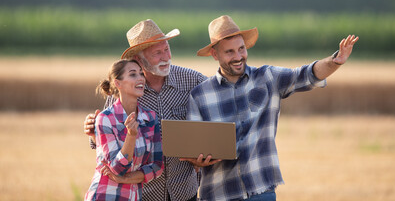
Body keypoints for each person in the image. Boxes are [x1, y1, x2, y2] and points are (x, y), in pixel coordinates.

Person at [184, 15, 359, 201]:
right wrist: (197, 160)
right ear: (215, 54)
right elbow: (194, 149)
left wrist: (335, 61)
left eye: (241, 49)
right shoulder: (199, 95)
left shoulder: (268, 78)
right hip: (219, 195)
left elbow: (307, 74)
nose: (238, 57)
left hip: (262, 192)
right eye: (229, 52)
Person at [84, 19, 207, 201]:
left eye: (166, 49)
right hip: (144, 195)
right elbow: (105, 144)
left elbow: (215, 118)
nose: (165, 57)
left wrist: (204, 154)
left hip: (185, 192)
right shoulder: (121, 91)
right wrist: (92, 132)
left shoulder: (193, 80)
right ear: (138, 59)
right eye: (157, 53)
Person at [84, 59, 163, 201]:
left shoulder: (150, 118)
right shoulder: (105, 119)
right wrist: (131, 136)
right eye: (133, 74)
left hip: (134, 196)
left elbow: (157, 166)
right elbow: (117, 168)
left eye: (141, 74)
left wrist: (126, 179)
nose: (140, 78)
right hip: (105, 195)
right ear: (117, 83)